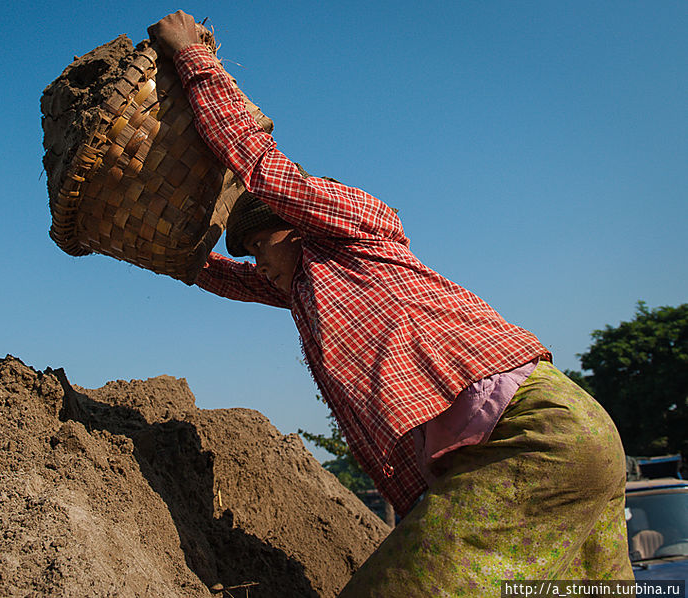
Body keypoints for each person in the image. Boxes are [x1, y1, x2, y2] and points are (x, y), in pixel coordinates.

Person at [148, 11, 632, 595]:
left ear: (295, 227)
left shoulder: (360, 235)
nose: (258, 264)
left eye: (258, 245)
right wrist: (155, 247)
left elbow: (263, 167)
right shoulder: (307, 292)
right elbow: (214, 275)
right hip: (534, 449)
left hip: (530, 437)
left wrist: (190, 59)